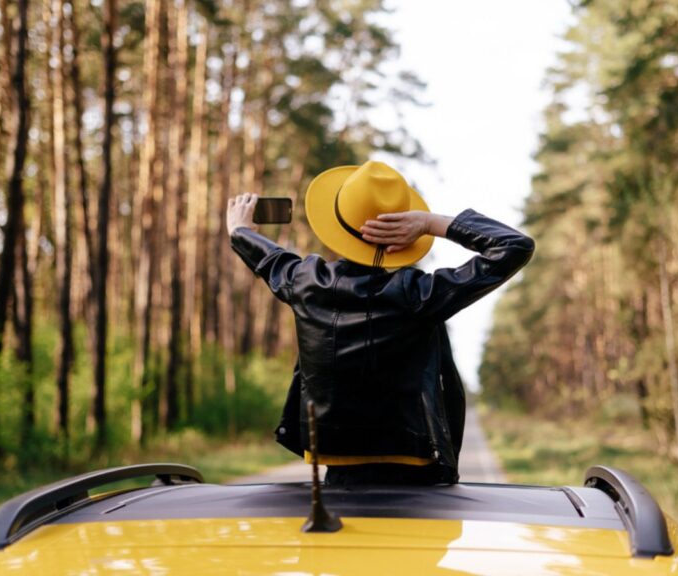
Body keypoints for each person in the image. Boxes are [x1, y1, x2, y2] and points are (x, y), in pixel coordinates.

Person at [228, 160, 534, 485]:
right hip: (414, 464)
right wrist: (431, 223)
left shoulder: (306, 282)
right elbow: (514, 246)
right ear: (403, 235)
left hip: (337, 463)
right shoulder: (419, 295)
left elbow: (271, 258)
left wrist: (240, 231)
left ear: (336, 225)